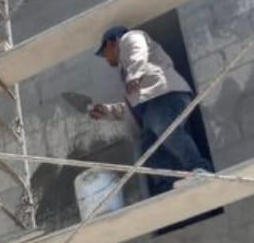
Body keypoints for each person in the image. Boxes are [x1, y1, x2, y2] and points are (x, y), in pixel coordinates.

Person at [89, 26, 213, 194]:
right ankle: (167, 187)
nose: (106, 59)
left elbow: (138, 50)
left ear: (111, 43)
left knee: (169, 132)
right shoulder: (128, 72)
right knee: (150, 149)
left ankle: (200, 169)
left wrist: (134, 74)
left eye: (104, 54)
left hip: (163, 96)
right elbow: (132, 106)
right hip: (150, 109)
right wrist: (107, 111)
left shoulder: (130, 38)